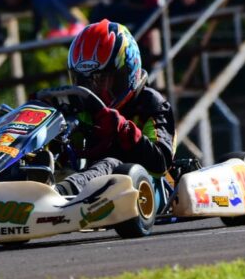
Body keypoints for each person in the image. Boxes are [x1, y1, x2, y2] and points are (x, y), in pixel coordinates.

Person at [36, 19, 176, 195]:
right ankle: (23, 187)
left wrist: (123, 129)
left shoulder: (151, 104)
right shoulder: (84, 111)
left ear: (128, 73)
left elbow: (160, 163)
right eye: (86, 82)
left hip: (146, 189)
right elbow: (68, 155)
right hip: (95, 190)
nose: (94, 90)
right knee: (47, 161)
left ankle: (62, 193)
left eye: (102, 80)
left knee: (112, 164)